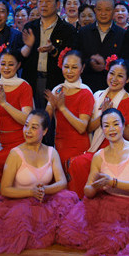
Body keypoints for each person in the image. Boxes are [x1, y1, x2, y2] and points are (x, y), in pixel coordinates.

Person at [57, 108, 129, 256]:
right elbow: (87, 190)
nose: (111, 129)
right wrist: (96, 186)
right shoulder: (99, 156)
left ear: (123, 125)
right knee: (73, 233)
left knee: (122, 240)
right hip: (106, 205)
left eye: (115, 124)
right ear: (102, 129)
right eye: (106, 125)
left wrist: (112, 182)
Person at [0, 110, 78, 253]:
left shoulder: (51, 152)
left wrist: (45, 190)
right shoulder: (15, 154)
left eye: (34, 127)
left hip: (45, 201)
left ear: (45, 131)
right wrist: (31, 192)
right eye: (26, 125)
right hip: (20, 205)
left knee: (70, 216)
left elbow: (62, 182)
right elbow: (4, 189)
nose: (28, 131)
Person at [66, 58, 129, 197]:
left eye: (120, 76)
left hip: (117, 150)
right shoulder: (98, 95)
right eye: (112, 73)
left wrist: (115, 117)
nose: (114, 79)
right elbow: (89, 128)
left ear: (127, 79)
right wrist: (103, 115)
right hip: (96, 148)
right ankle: (80, 201)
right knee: (77, 163)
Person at [0, 49, 33, 186]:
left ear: (18, 65)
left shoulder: (23, 86)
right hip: (2, 142)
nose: (6, 68)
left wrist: (4, 103)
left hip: (21, 142)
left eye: (11, 64)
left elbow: (27, 119)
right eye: (3, 63)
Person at [20, 0, 77, 109]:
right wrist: (28, 46)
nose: (43, 4)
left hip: (56, 80)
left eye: (48, 1)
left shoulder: (68, 30)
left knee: (54, 115)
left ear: (58, 4)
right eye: (40, 1)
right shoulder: (30, 27)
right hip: (31, 79)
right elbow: (20, 58)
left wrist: (53, 50)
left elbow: (72, 58)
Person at [46, 50, 94, 179]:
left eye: (74, 67)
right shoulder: (57, 90)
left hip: (78, 149)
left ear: (82, 68)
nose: (69, 71)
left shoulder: (85, 92)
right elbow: (45, 121)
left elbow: (82, 127)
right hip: (59, 146)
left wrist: (62, 108)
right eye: (66, 66)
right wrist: (49, 109)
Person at [78, 0, 125, 92]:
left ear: (113, 11)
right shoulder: (83, 32)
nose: (103, 13)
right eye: (99, 10)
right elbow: (77, 58)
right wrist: (89, 62)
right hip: (87, 87)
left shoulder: (122, 34)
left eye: (107, 10)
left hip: (113, 88)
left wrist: (107, 65)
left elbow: (126, 62)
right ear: (95, 10)